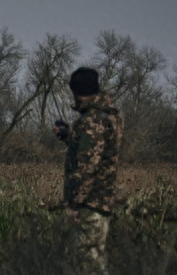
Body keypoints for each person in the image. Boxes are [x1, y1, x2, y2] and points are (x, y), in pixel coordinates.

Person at [54, 67, 123, 275]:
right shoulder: (110, 115)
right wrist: (69, 136)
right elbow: (97, 151)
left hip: (90, 203)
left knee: (87, 264)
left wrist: (75, 204)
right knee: (95, 262)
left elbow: (87, 167)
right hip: (102, 200)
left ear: (77, 91)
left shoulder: (92, 120)